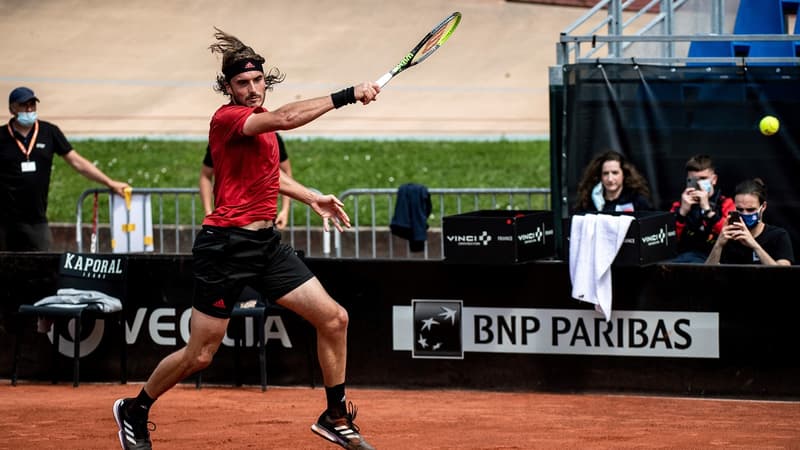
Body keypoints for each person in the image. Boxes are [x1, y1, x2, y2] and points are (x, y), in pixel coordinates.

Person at [112, 28, 379, 450]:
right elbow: (288, 117)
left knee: (334, 319)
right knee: (200, 355)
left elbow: (269, 177)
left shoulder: (263, 127)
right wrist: (348, 94)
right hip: (223, 248)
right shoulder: (230, 119)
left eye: (257, 81)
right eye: (242, 83)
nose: (252, 89)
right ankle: (135, 408)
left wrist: (312, 198)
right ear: (228, 88)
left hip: (265, 247)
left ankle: (334, 415)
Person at [0, 86, 130, 251]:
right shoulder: (2, 136)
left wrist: (110, 183)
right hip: (5, 222)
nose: (29, 109)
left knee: (43, 269)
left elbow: (78, 163)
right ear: (12, 108)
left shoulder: (49, 132)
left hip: (37, 221)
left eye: (32, 104)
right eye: (24, 105)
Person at [200, 132, 294, 229]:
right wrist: (208, 212)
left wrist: (285, 210)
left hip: (263, 221)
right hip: (229, 220)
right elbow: (205, 175)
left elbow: (284, 173)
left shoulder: (272, 137)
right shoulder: (221, 138)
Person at [705, 178, 793, 266]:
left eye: (750, 210)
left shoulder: (778, 236)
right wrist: (718, 245)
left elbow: (783, 275)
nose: (745, 214)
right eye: (739, 209)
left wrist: (754, 245)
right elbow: (706, 276)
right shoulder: (728, 237)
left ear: (763, 207)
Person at [669, 154, 736, 263]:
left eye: (703, 179)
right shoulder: (679, 205)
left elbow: (732, 236)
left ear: (714, 179)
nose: (699, 184)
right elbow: (668, 240)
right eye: (693, 180)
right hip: (683, 260)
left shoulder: (726, 203)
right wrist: (682, 213)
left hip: (716, 259)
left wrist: (707, 209)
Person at [574, 150, 653, 213]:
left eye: (615, 173)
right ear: (600, 176)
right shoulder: (590, 202)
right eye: (605, 173)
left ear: (624, 174)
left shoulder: (636, 200)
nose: (610, 179)